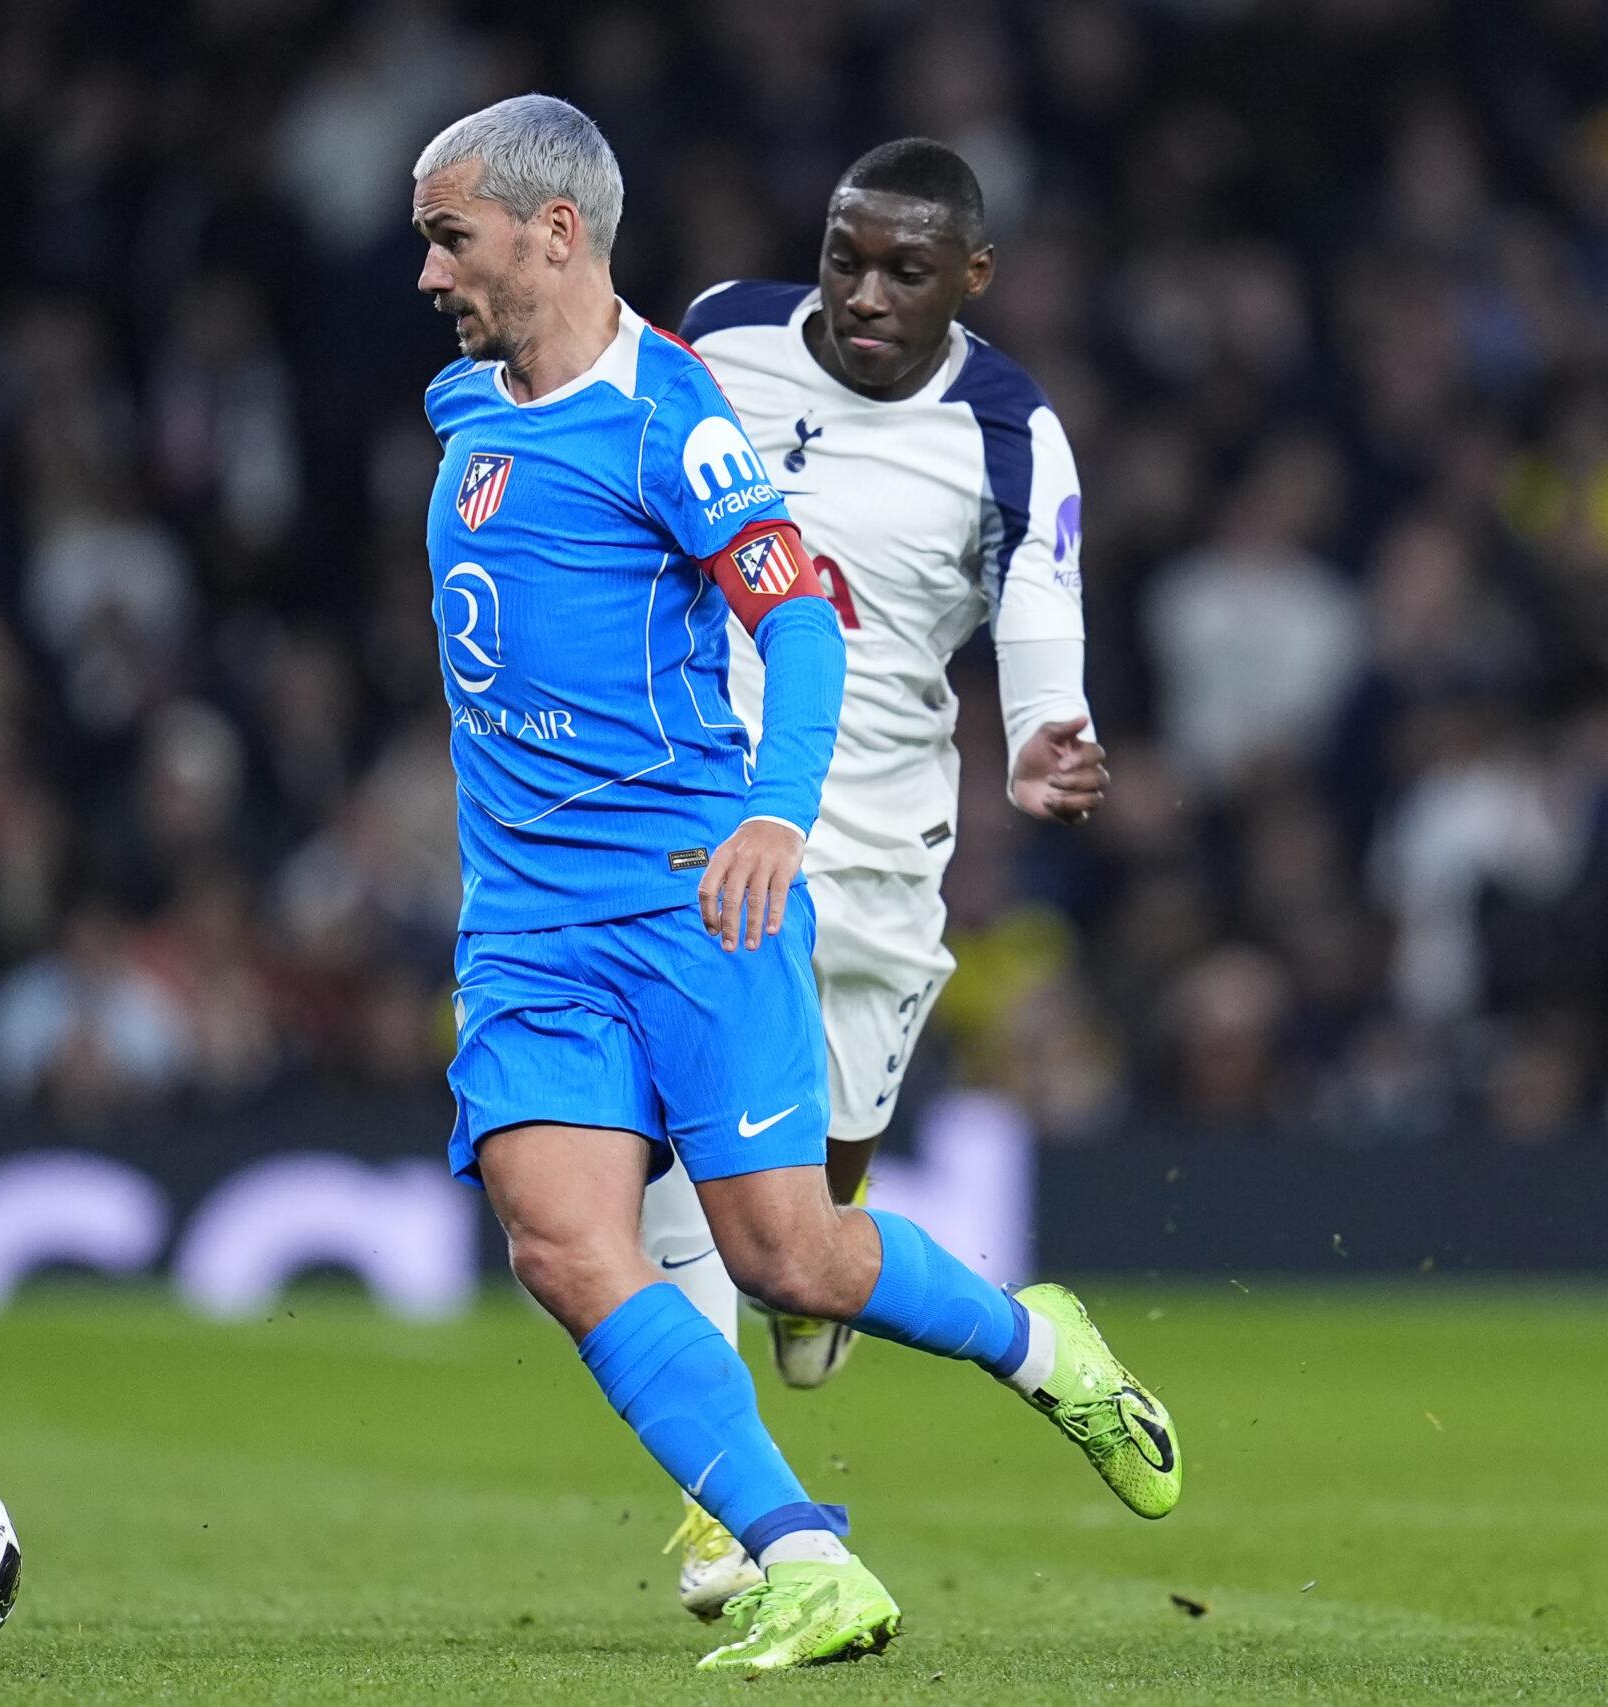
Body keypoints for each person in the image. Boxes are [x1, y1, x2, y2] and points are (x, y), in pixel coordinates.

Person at [411, 98, 1167, 1672]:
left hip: (703, 900)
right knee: (561, 1244)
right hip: (529, 930)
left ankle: (1044, 1346)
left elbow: (805, 619)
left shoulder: (672, 416)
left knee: (792, 1261)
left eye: (450, 238)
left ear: (556, 234)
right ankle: (797, 1553)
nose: (428, 272)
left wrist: (773, 811)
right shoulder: (476, 403)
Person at [638, 138, 1181, 1618]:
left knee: (805, 1218)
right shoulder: (723, 333)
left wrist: (1046, 736)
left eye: (906, 270)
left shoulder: (1009, 424)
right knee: (670, 1167)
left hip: (875, 840)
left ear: (974, 279)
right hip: (698, 809)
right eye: (844, 258)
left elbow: (1041, 591)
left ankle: (841, 1298)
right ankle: (721, 1509)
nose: (864, 295)